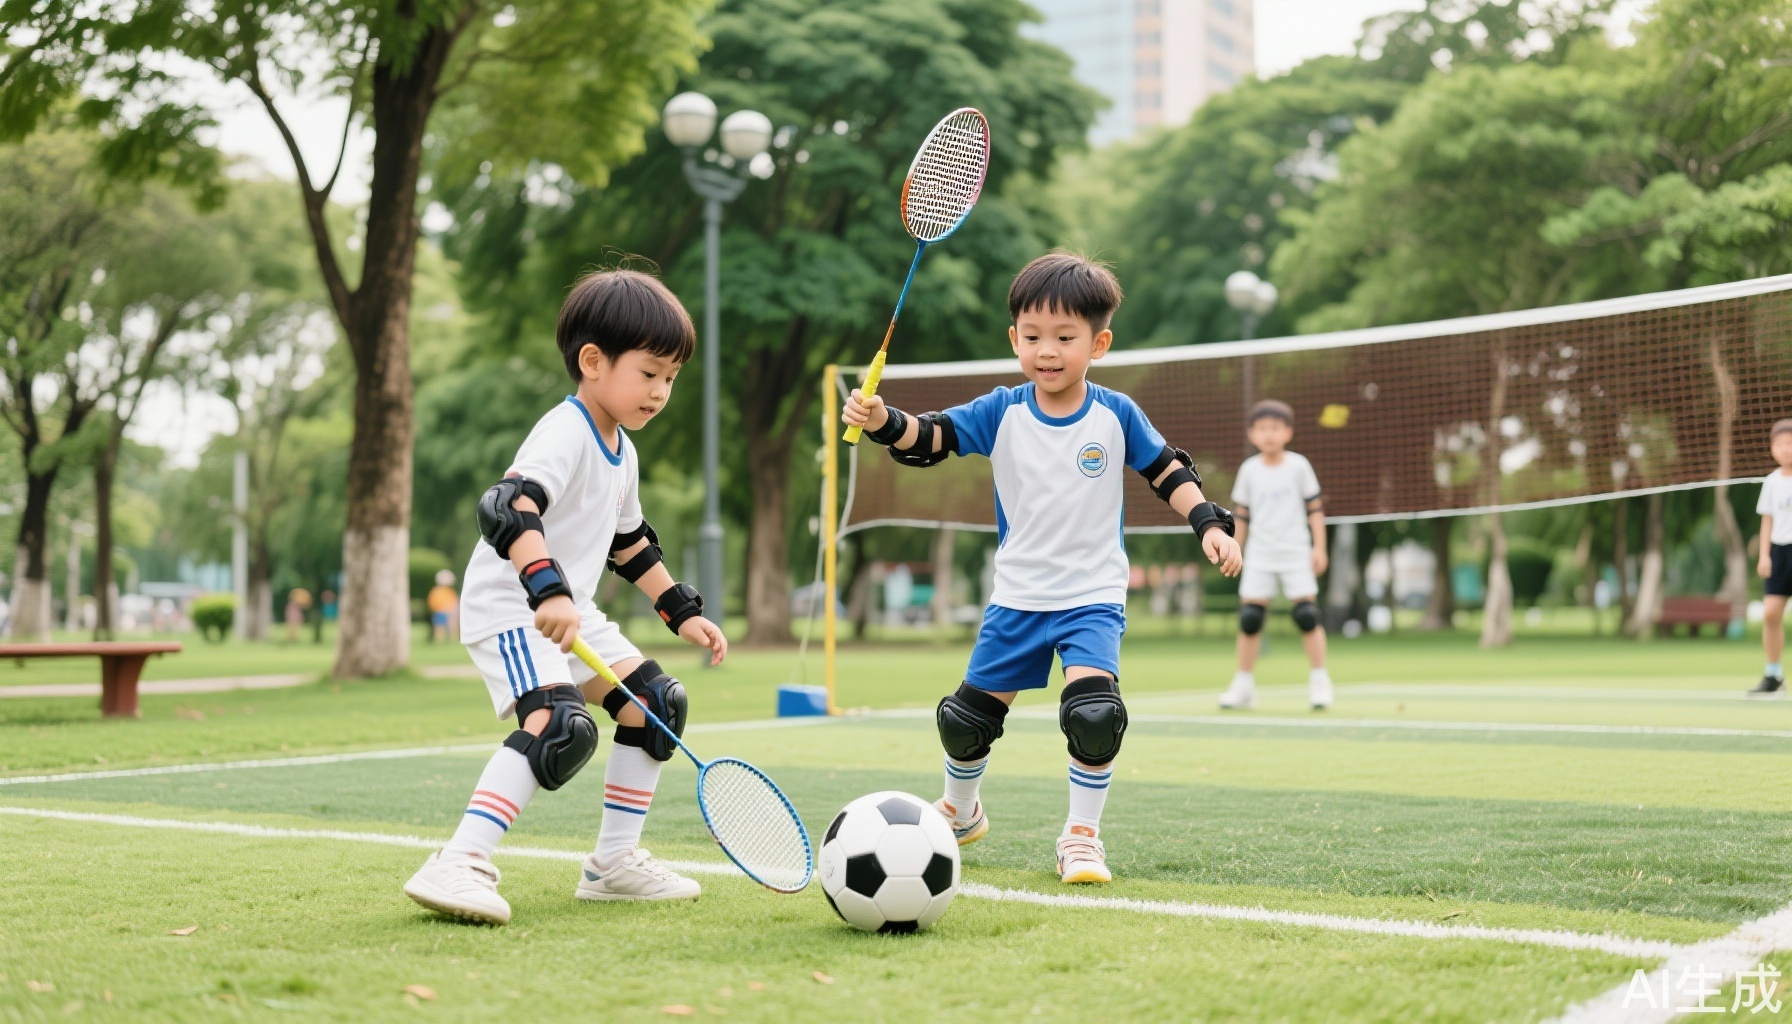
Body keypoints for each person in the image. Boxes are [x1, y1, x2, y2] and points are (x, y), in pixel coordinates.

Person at [842, 252, 1242, 885]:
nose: (1046, 351)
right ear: (1014, 339)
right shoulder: (1003, 410)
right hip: (1019, 597)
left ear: (1099, 343)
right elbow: (933, 436)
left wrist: (1209, 525)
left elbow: (1169, 471)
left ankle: (1081, 838)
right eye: (1032, 337)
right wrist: (882, 421)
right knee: (967, 724)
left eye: (1064, 337)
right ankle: (962, 811)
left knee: (1093, 714)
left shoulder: (1116, 414)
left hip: (1092, 595)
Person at [403, 270, 728, 926]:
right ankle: (459, 861)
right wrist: (547, 591)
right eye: (650, 373)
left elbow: (631, 544)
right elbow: (508, 507)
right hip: (513, 608)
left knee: (656, 705)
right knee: (557, 726)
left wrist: (683, 613)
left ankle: (613, 864)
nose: (662, 391)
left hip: (571, 611)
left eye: (671, 377)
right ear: (593, 361)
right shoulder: (566, 430)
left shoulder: (622, 451)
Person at [1218, 399, 1333, 712]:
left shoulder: (1299, 466)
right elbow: (1241, 516)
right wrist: (1234, 549)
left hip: (1296, 551)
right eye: (1262, 428)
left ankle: (1320, 681)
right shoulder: (1249, 470)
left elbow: (1315, 510)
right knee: (1250, 618)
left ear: (1288, 432)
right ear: (1252, 434)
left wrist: (1319, 547)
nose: (1269, 434)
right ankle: (1243, 685)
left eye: (1275, 428)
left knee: (1308, 615)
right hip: (1260, 554)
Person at [1750, 419, 1792, 695]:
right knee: (1770, 613)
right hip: (1779, 552)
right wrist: (1764, 555)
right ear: (1772, 449)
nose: (1786, 449)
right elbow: (1767, 521)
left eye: (1790, 443)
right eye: (1780, 444)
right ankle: (1773, 675)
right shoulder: (1772, 481)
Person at [427, 570, 459, 643]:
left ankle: (453, 640)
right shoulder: (437, 591)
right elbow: (433, 602)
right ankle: (439, 641)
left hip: (450, 612)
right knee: (439, 628)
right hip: (440, 611)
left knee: (452, 627)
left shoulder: (449, 591)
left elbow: (454, 601)